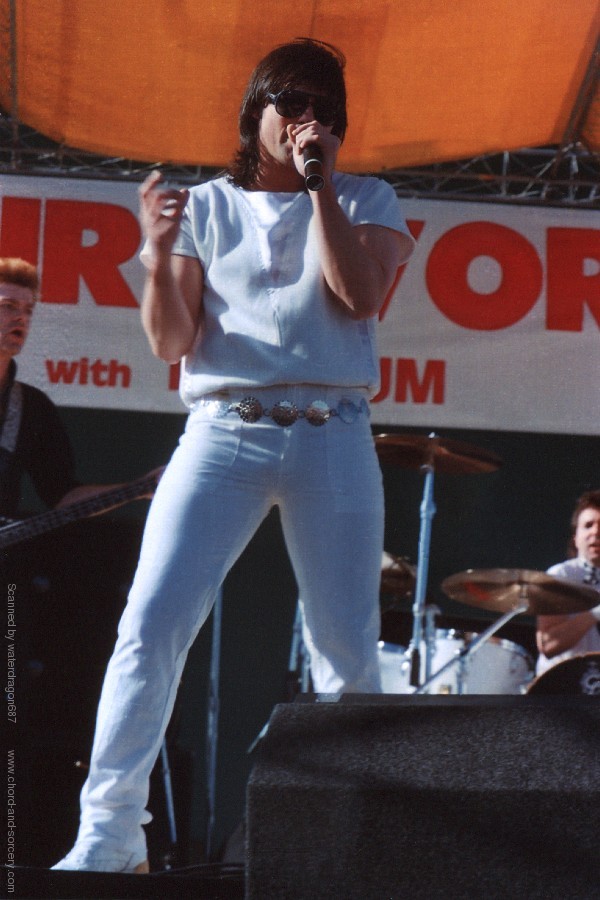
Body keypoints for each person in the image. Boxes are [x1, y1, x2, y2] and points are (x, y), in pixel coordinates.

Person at [52, 37, 414, 874]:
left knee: (346, 647)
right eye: (292, 103)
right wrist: (155, 255)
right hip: (223, 429)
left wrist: (321, 188)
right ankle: (109, 835)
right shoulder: (207, 206)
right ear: (256, 112)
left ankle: (354, 848)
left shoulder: (367, 197)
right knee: (150, 625)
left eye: (324, 109)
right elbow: (170, 341)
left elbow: (359, 295)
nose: (307, 121)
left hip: (333, 430)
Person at [535, 490, 600, 676]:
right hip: (561, 682)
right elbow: (548, 645)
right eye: (588, 525)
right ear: (575, 538)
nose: (596, 532)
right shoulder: (560, 575)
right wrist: (595, 613)